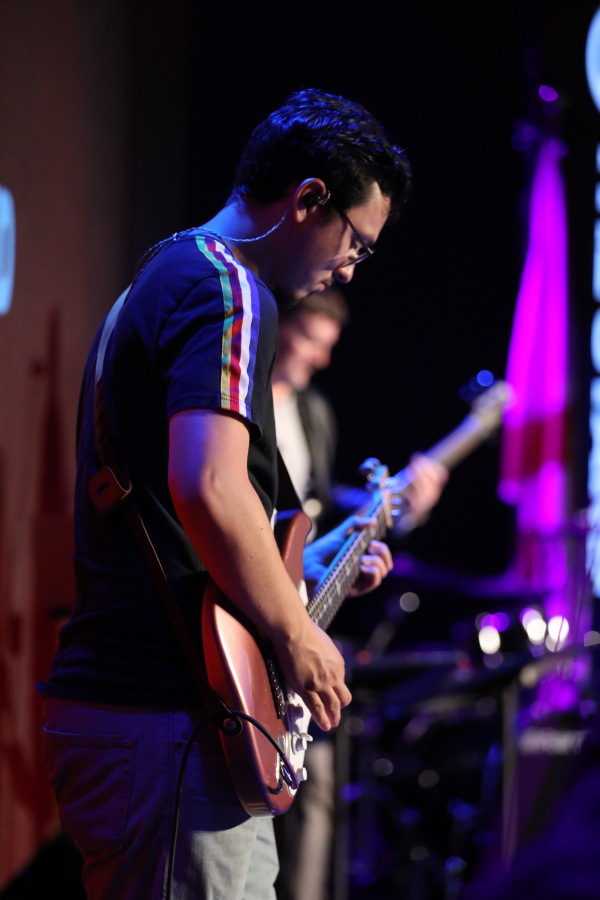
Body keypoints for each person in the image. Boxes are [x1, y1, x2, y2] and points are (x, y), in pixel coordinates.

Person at [36, 89, 413, 900]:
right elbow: (208, 485)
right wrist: (297, 633)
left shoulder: (165, 271)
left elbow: (176, 512)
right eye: (356, 242)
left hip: (150, 722)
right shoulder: (230, 290)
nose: (351, 268)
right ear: (308, 199)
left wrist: (304, 567)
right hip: (169, 723)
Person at [272, 288, 448, 900]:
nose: (319, 359)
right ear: (278, 325)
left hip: (300, 609)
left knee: (312, 778)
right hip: (248, 611)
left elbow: (318, 504)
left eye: (328, 346)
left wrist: (396, 504)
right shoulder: (239, 401)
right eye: (308, 340)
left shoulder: (313, 411)